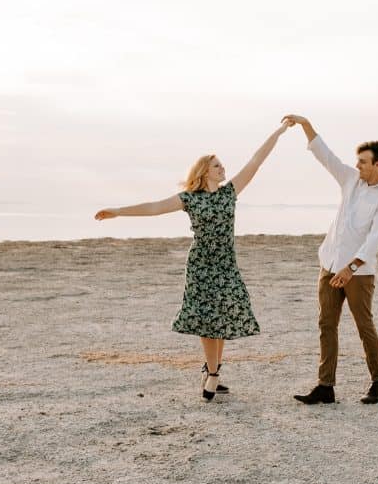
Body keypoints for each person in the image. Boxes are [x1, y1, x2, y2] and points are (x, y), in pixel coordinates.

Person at [94, 122, 290, 401]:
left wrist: (279, 132)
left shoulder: (229, 193)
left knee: (221, 318)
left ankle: (213, 369)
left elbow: (256, 160)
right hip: (200, 265)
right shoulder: (190, 199)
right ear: (204, 172)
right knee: (206, 321)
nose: (223, 169)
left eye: (222, 165)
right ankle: (212, 374)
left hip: (226, 265)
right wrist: (118, 211)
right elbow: (154, 207)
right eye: (217, 166)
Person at [282, 114, 378, 405]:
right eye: (357, 161)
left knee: (364, 326)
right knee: (326, 325)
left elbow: (375, 239)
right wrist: (306, 125)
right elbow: (325, 155)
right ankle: (326, 386)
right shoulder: (350, 179)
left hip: (359, 273)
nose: (357, 165)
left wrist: (352, 267)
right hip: (330, 264)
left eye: (362, 162)